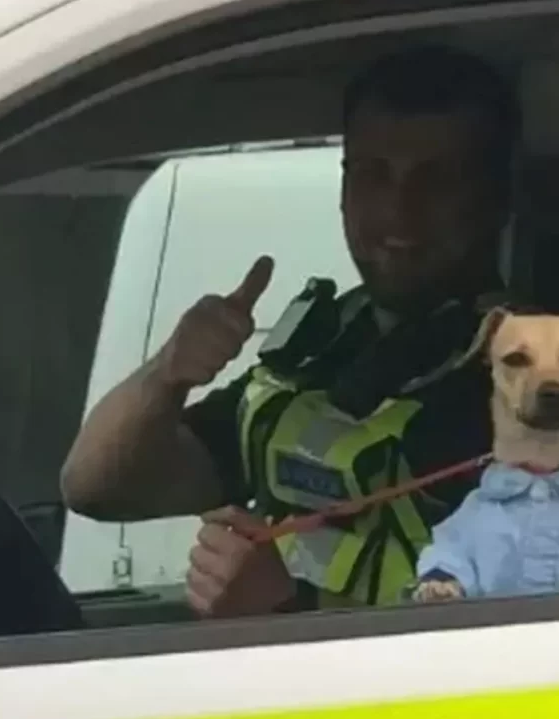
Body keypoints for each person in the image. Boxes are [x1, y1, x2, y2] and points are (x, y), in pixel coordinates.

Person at [60, 45, 520, 616]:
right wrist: (168, 373)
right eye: (373, 175)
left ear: (495, 198)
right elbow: (97, 487)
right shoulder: (329, 346)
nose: (400, 213)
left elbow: (533, 629)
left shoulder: (534, 383)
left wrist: (288, 606)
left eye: (438, 181)